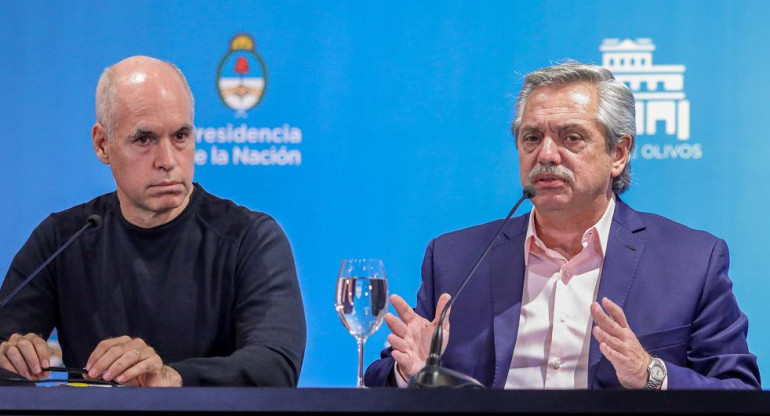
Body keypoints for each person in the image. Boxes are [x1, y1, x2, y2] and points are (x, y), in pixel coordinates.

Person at [364, 61, 760, 389]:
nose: (546, 154)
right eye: (531, 138)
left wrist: (648, 373)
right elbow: (382, 380)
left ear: (618, 153)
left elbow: (739, 390)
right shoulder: (456, 259)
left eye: (571, 138)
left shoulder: (690, 261)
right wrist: (409, 372)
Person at [0, 56, 306, 387]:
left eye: (181, 136)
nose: (168, 161)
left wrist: (170, 378)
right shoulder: (63, 238)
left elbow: (275, 366)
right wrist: (13, 357)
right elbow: (6, 346)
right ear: (103, 144)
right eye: (144, 139)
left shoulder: (251, 238)